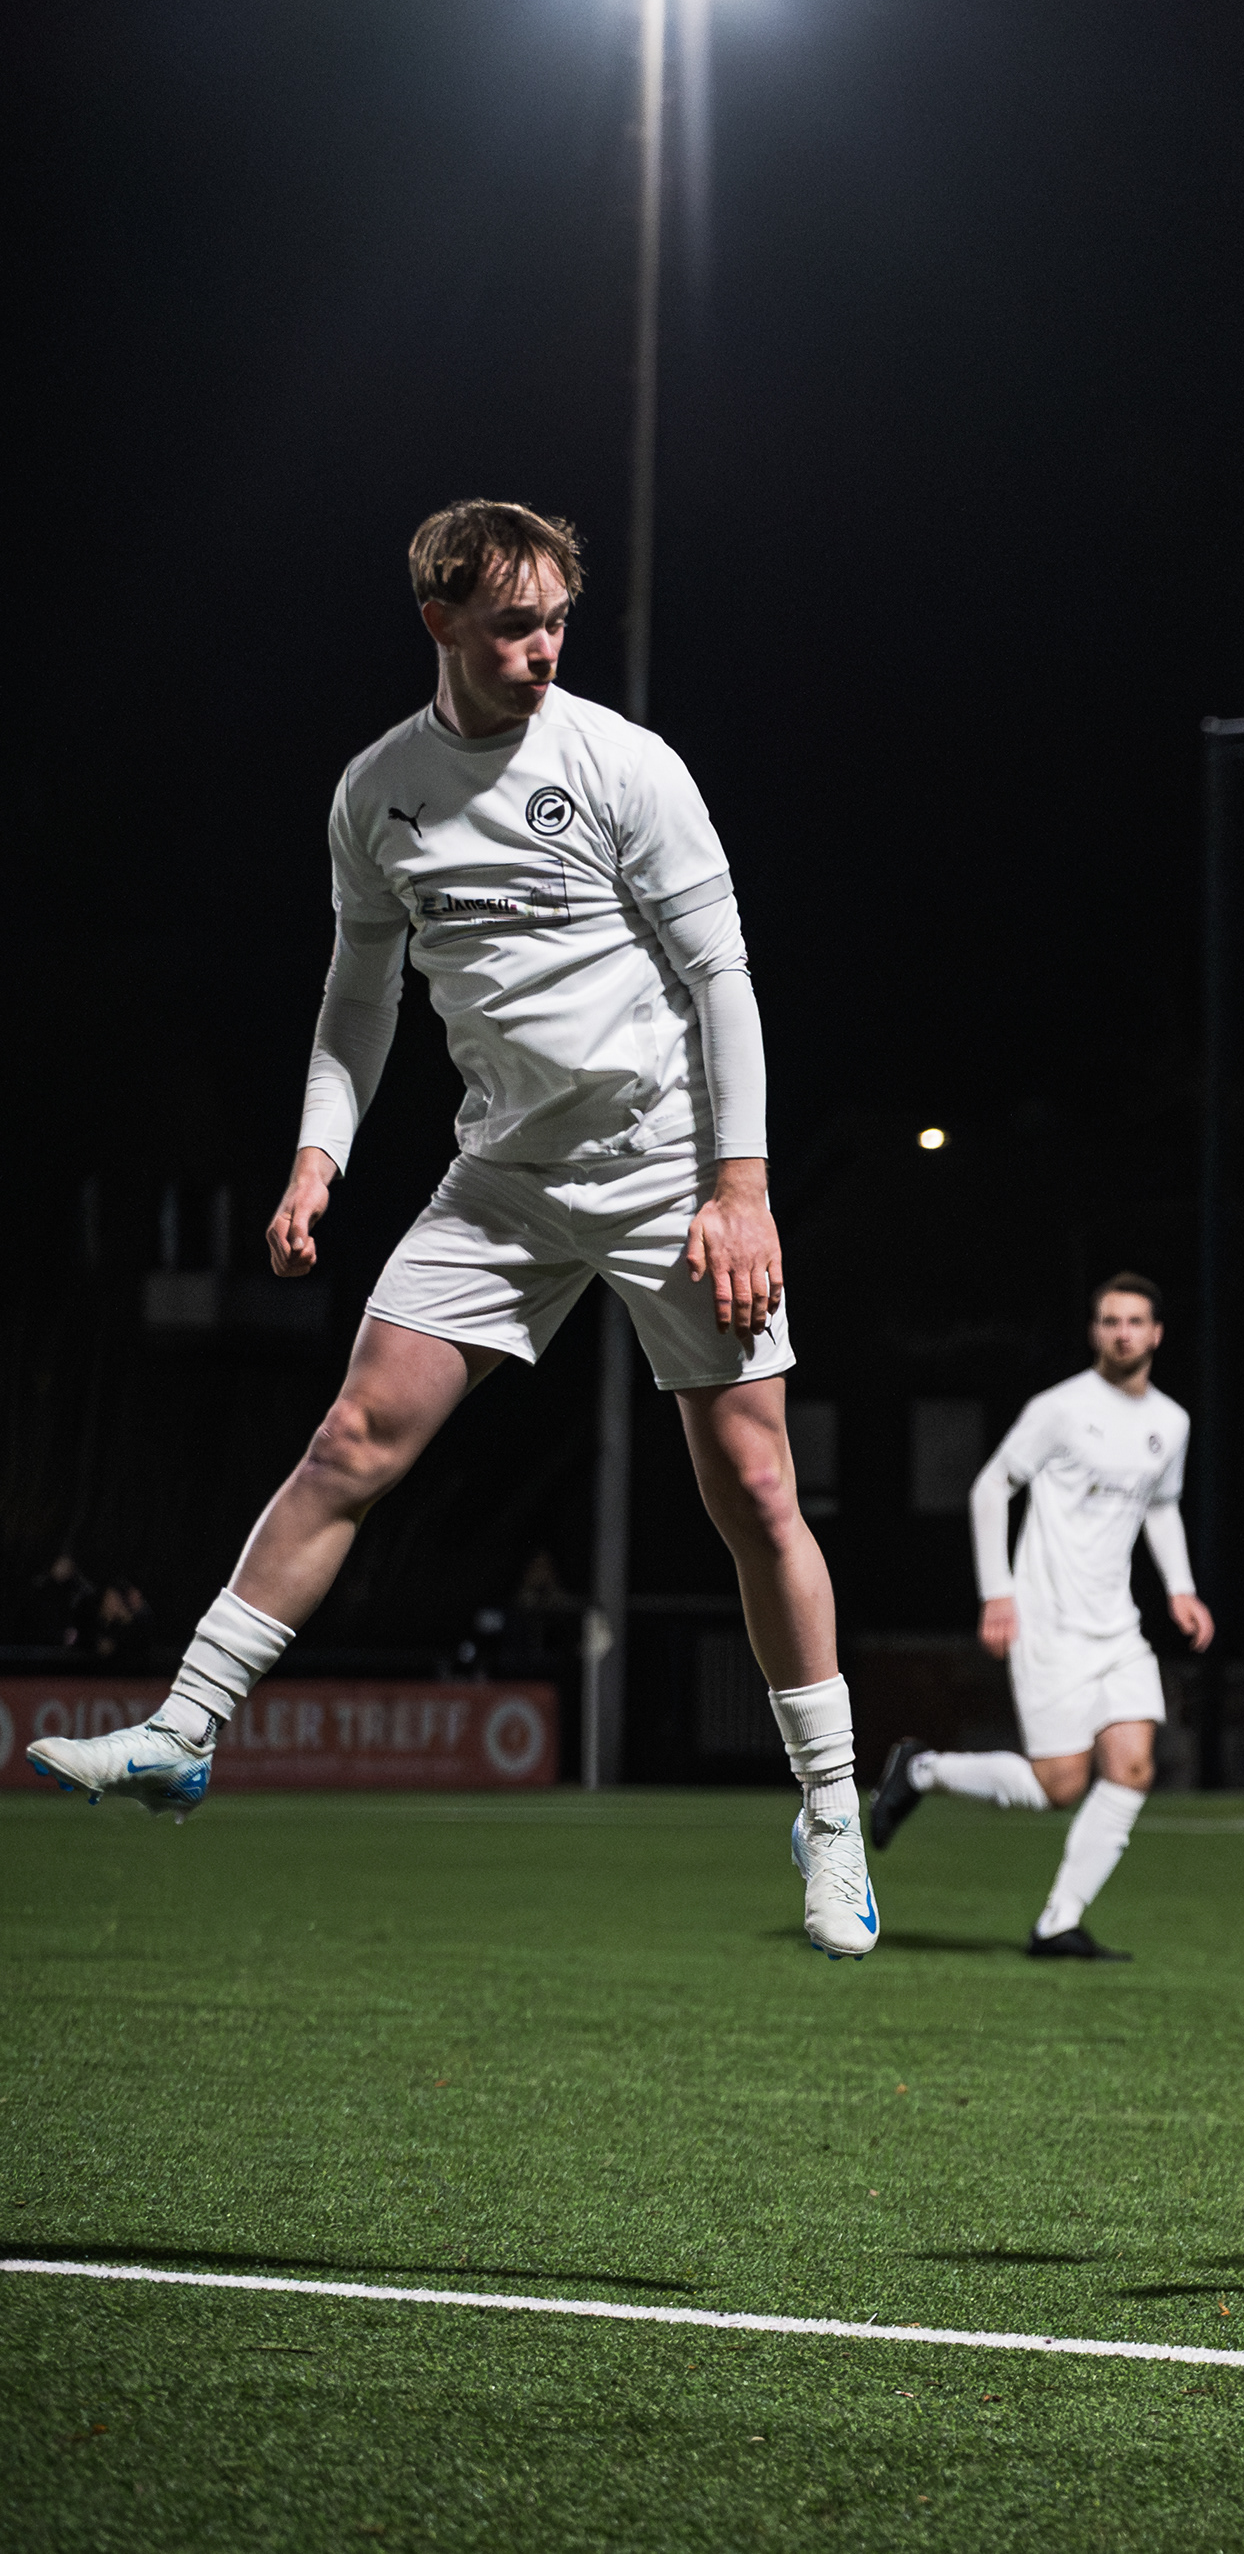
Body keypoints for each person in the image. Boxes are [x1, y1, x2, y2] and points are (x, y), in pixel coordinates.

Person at [19, 501, 882, 1958]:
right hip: (505, 1174)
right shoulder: (379, 793)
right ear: (439, 621)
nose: (543, 648)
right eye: (513, 625)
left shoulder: (625, 764)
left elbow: (724, 979)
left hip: (669, 1163)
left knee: (753, 1482)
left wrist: (741, 1189)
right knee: (354, 1436)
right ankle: (183, 1729)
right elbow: (357, 997)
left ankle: (833, 1812)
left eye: (557, 621)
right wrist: (318, 1154)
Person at [868, 1276, 1213, 1957]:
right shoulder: (1059, 1409)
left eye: (1135, 1321)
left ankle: (1059, 1921)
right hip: (1048, 1620)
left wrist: (1181, 1588)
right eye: (1110, 1320)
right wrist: (997, 1592)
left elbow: (1161, 1505)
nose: (1122, 1333)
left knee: (1132, 1768)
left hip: (1118, 1626)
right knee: (1058, 1786)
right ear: (1095, 1332)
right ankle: (922, 1769)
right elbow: (991, 1486)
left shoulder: (1171, 1422)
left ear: (1156, 1333)